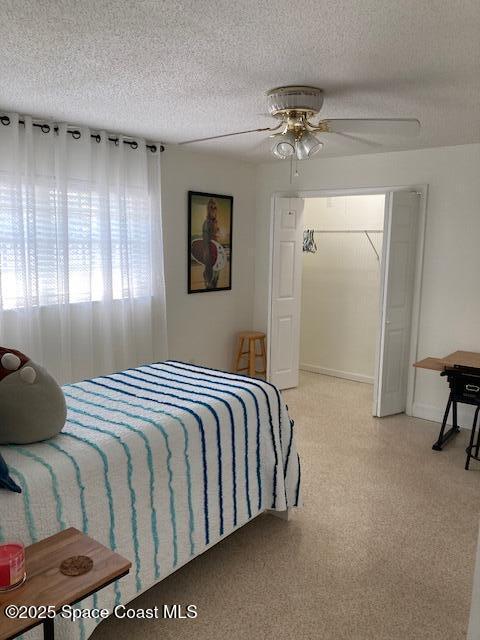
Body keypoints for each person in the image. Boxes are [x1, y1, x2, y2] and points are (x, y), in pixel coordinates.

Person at [202, 198, 220, 289]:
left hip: (216, 255)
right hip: (210, 256)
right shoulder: (206, 223)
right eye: (211, 207)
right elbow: (205, 242)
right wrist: (207, 256)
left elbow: (217, 238)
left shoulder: (216, 223)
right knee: (210, 285)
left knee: (216, 282)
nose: (213, 209)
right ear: (208, 209)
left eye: (215, 207)